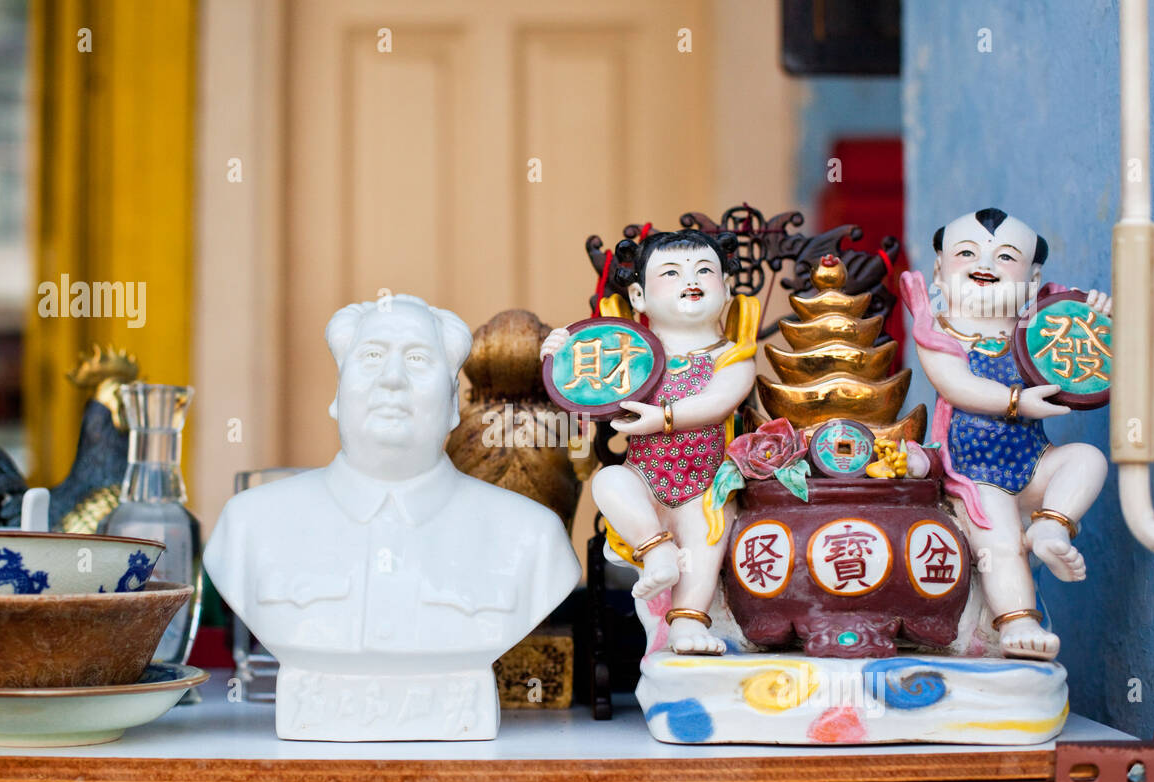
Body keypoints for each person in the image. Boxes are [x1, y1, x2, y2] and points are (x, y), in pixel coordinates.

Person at [205, 294, 581, 740]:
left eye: (418, 359)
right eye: (371, 356)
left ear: (452, 406)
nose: (392, 379)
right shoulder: (250, 526)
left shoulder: (531, 536)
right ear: (337, 393)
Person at [905, 208, 1110, 660]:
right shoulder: (941, 332)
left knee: (1087, 459)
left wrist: (1091, 317)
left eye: (1006, 257)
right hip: (975, 472)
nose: (986, 264)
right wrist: (1016, 402)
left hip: (1034, 459)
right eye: (967, 252)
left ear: (1032, 279)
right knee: (998, 544)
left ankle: (1051, 528)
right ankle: (1018, 622)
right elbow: (956, 385)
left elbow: (1085, 356)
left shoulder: (1041, 323)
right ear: (939, 270)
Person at [542, 230, 758, 655]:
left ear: (727, 289)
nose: (689, 280)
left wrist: (664, 418)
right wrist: (559, 353)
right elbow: (581, 384)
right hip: (645, 476)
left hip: (705, 485)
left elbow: (720, 401)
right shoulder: (629, 353)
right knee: (609, 483)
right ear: (638, 296)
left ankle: (688, 624)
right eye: (672, 272)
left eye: (703, 271)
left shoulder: (730, 355)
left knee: (705, 539)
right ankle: (656, 549)